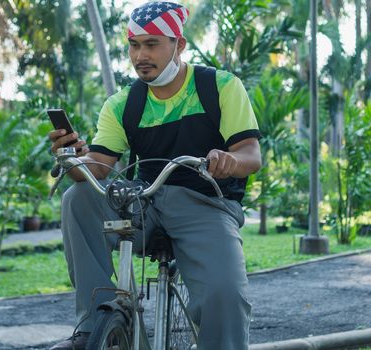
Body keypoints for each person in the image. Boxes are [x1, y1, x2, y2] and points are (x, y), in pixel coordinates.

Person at [48, 2, 261, 349]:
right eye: (134, 45)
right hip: (145, 202)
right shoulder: (122, 103)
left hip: (206, 205)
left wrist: (228, 160)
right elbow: (99, 168)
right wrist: (73, 156)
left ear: (178, 45)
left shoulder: (219, 87)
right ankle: (94, 323)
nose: (140, 55)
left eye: (152, 44)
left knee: (226, 295)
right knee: (79, 197)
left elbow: (251, 154)